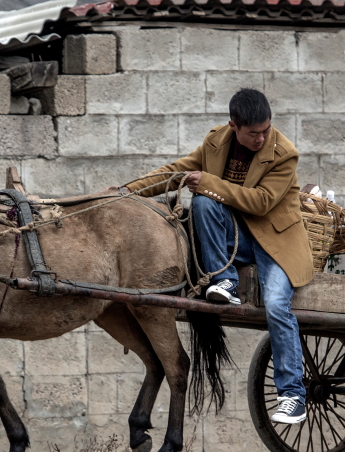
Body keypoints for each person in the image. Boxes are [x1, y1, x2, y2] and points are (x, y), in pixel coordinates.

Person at [116, 88, 313, 424]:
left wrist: (208, 182)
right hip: (236, 241)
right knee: (204, 203)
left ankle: (293, 394)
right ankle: (223, 280)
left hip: (276, 241)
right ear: (233, 125)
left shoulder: (284, 153)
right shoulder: (216, 143)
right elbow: (177, 170)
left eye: (266, 130)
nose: (261, 138)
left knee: (277, 304)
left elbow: (261, 203)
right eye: (253, 133)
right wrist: (125, 191)